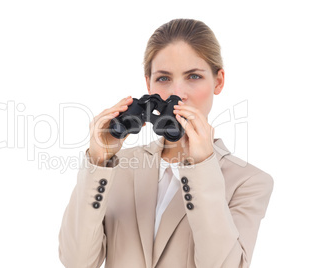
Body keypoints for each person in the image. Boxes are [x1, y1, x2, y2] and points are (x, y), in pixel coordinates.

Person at [58, 18, 273, 268]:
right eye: (163, 78)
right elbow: (77, 261)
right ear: (148, 83)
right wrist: (98, 160)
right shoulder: (118, 168)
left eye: (193, 76)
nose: (177, 93)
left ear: (218, 81)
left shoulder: (249, 181)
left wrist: (202, 165)